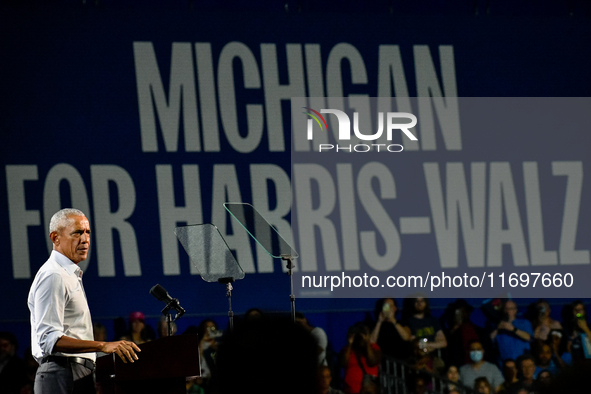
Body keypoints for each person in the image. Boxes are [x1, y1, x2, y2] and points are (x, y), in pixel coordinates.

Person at [28, 208, 140, 394]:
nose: (85, 239)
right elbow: (49, 339)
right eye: (77, 233)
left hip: (75, 373)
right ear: (55, 238)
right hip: (62, 374)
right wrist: (103, 345)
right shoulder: (54, 275)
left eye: (88, 232)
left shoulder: (69, 275)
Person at [340, 322, 382, 394]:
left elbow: (372, 362)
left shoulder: (374, 347)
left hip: (368, 391)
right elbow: (343, 363)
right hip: (350, 390)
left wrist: (367, 343)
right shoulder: (347, 349)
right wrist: (350, 344)